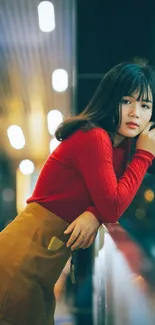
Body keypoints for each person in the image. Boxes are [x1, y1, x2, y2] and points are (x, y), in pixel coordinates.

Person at [0, 60, 155, 325]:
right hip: (22, 258)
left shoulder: (117, 148)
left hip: (39, 264)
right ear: (110, 100)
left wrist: (93, 213)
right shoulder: (94, 137)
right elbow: (113, 206)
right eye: (127, 101)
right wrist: (144, 154)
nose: (135, 113)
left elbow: (113, 199)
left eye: (145, 106)